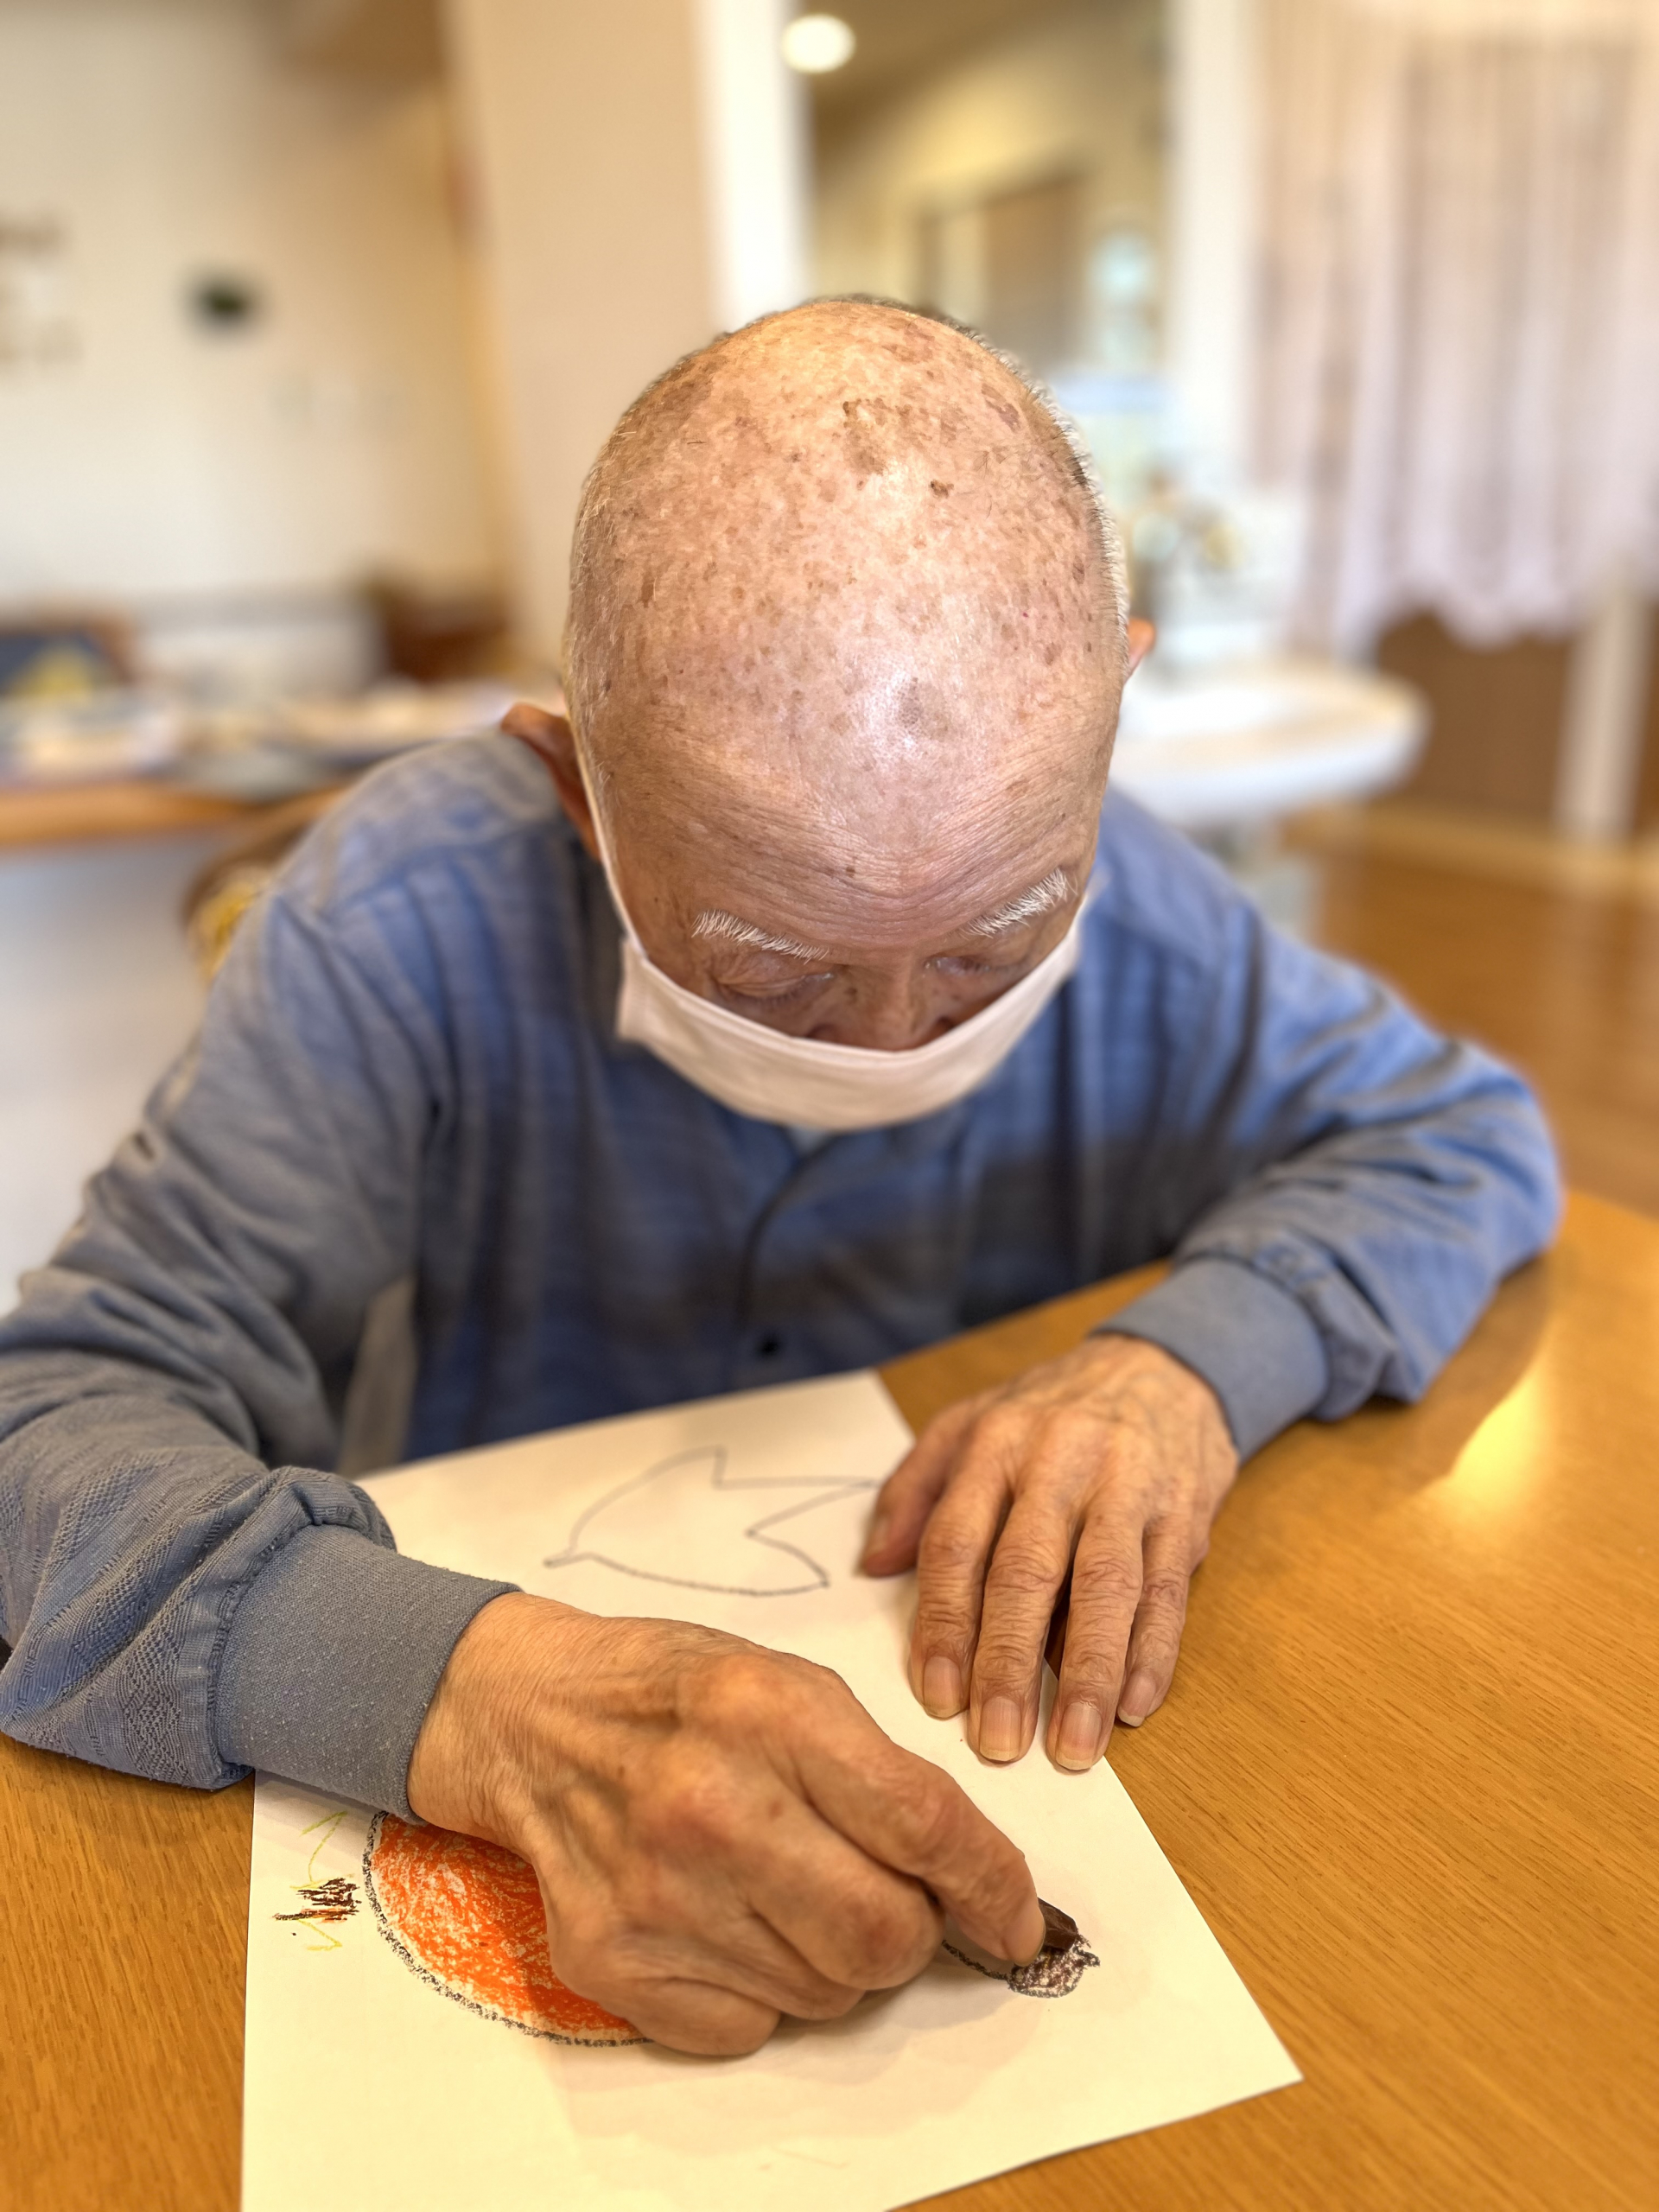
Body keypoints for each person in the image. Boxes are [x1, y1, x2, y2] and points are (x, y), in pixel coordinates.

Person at [0, 301, 1557, 2054]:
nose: (893, 1039)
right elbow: (50, 1419)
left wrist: (1185, 1366)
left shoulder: (1158, 908)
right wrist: (469, 1701)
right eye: (776, 968)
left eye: (995, 941)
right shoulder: (407, 916)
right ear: (575, 792)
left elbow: (1460, 1134)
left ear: (1110, 716)